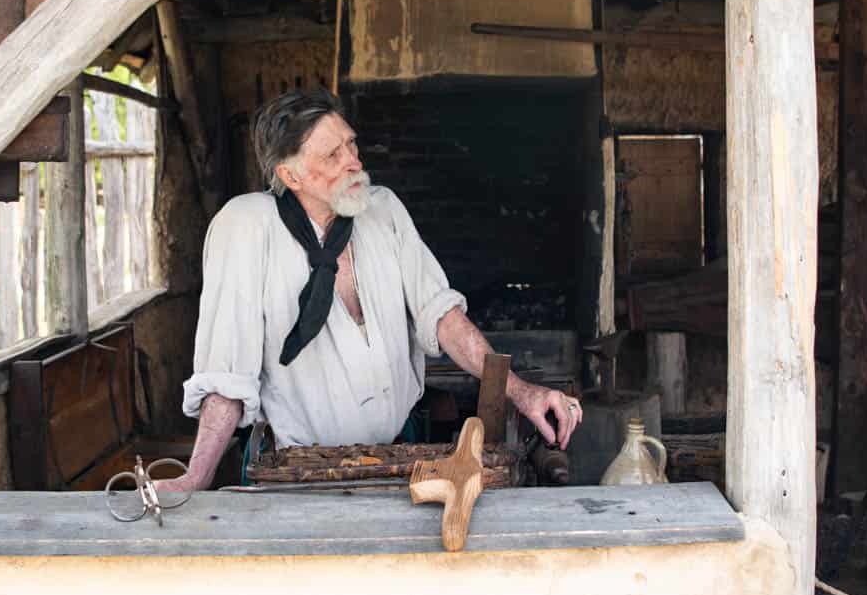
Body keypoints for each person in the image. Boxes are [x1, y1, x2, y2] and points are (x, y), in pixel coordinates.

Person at [173, 88, 582, 490]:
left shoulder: (382, 209)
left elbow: (442, 316)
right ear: (290, 174)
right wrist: (196, 478)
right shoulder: (246, 226)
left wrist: (522, 393)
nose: (354, 162)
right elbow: (226, 373)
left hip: (396, 463)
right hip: (293, 476)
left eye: (351, 145)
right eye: (332, 155)